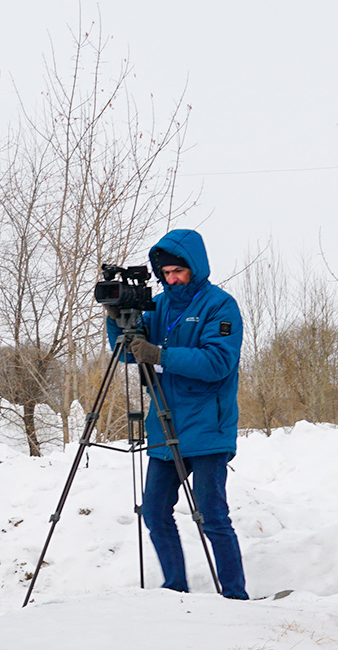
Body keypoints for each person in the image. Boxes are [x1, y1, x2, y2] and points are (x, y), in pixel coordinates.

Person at [104, 229, 248, 599]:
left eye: (178, 272)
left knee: (212, 516)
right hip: (165, 423)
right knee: (154, 512)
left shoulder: (220, 305)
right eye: (165, 273)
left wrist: (160, 355)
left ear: (194, 268)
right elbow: (127, 353)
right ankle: (174, 589)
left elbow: (218, 362)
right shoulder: (160, 305)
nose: (171, 279)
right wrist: (116, 318)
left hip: (207, 426)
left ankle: (234, 595)